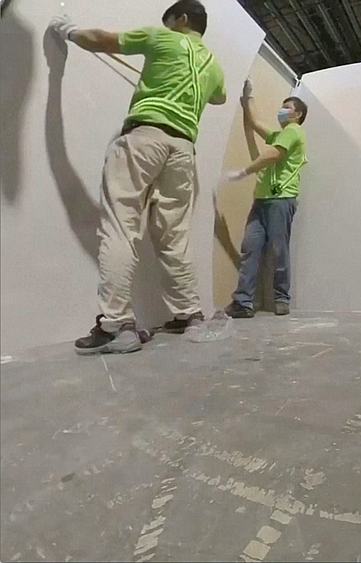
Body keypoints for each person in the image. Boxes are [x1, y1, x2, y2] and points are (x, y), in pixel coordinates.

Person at [51, 0, 226, 355]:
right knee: (173, 235)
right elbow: (220, 98)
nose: (167, 25)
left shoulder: (163, 38)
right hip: (182, 149)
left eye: (170, 20)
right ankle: (189, 314)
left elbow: (101, 40)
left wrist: (68, 31)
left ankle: (116, 325)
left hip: (145, 137)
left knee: (121, 226)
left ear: (182, 18)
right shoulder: (213, 64)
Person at [222, 79, 308, 318]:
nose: (282, 111)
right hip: (261, 200)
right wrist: (248, 97)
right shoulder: (280, 134)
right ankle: (243, 302)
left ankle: (281, 298)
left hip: (281, 199)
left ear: (298, 115)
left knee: (278, 249)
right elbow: (255, 123)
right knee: (250, 248)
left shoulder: (293, 131)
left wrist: (244, 172)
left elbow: (273, 155)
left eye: (287, 108)